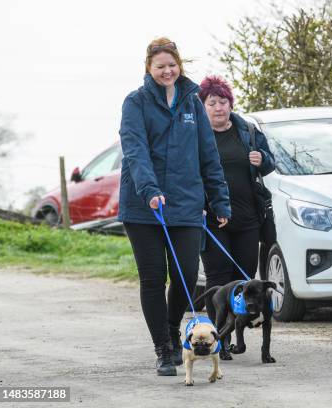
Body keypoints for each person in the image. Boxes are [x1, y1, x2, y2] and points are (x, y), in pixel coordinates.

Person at [118, 38, 230, 377]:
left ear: (178, 65)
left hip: (186, 204)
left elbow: (208, 154)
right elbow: (134, 149)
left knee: (184, 277)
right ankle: (163, 349)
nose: (167, 71)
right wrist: (150, 189)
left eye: (171, 64)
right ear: (149, 69)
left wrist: (219, 199)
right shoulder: (135, 102)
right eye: (159, 66)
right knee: (152, 279)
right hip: (143, 207)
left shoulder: (193, 104)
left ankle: (171, 329)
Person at [197, 76, 275, 359]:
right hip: (213, 219)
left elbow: (269, 162)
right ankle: (217, 340)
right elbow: (189, 174)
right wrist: (201, 205)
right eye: (212, 103)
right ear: (203, 106)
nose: (219, 108)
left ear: (231, 104)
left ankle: (235, 339)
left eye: (224, 101)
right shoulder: (196, 135)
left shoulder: (248, 131)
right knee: (218, 280)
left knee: (245, 281)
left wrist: (262, 160)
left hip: (248, 218)